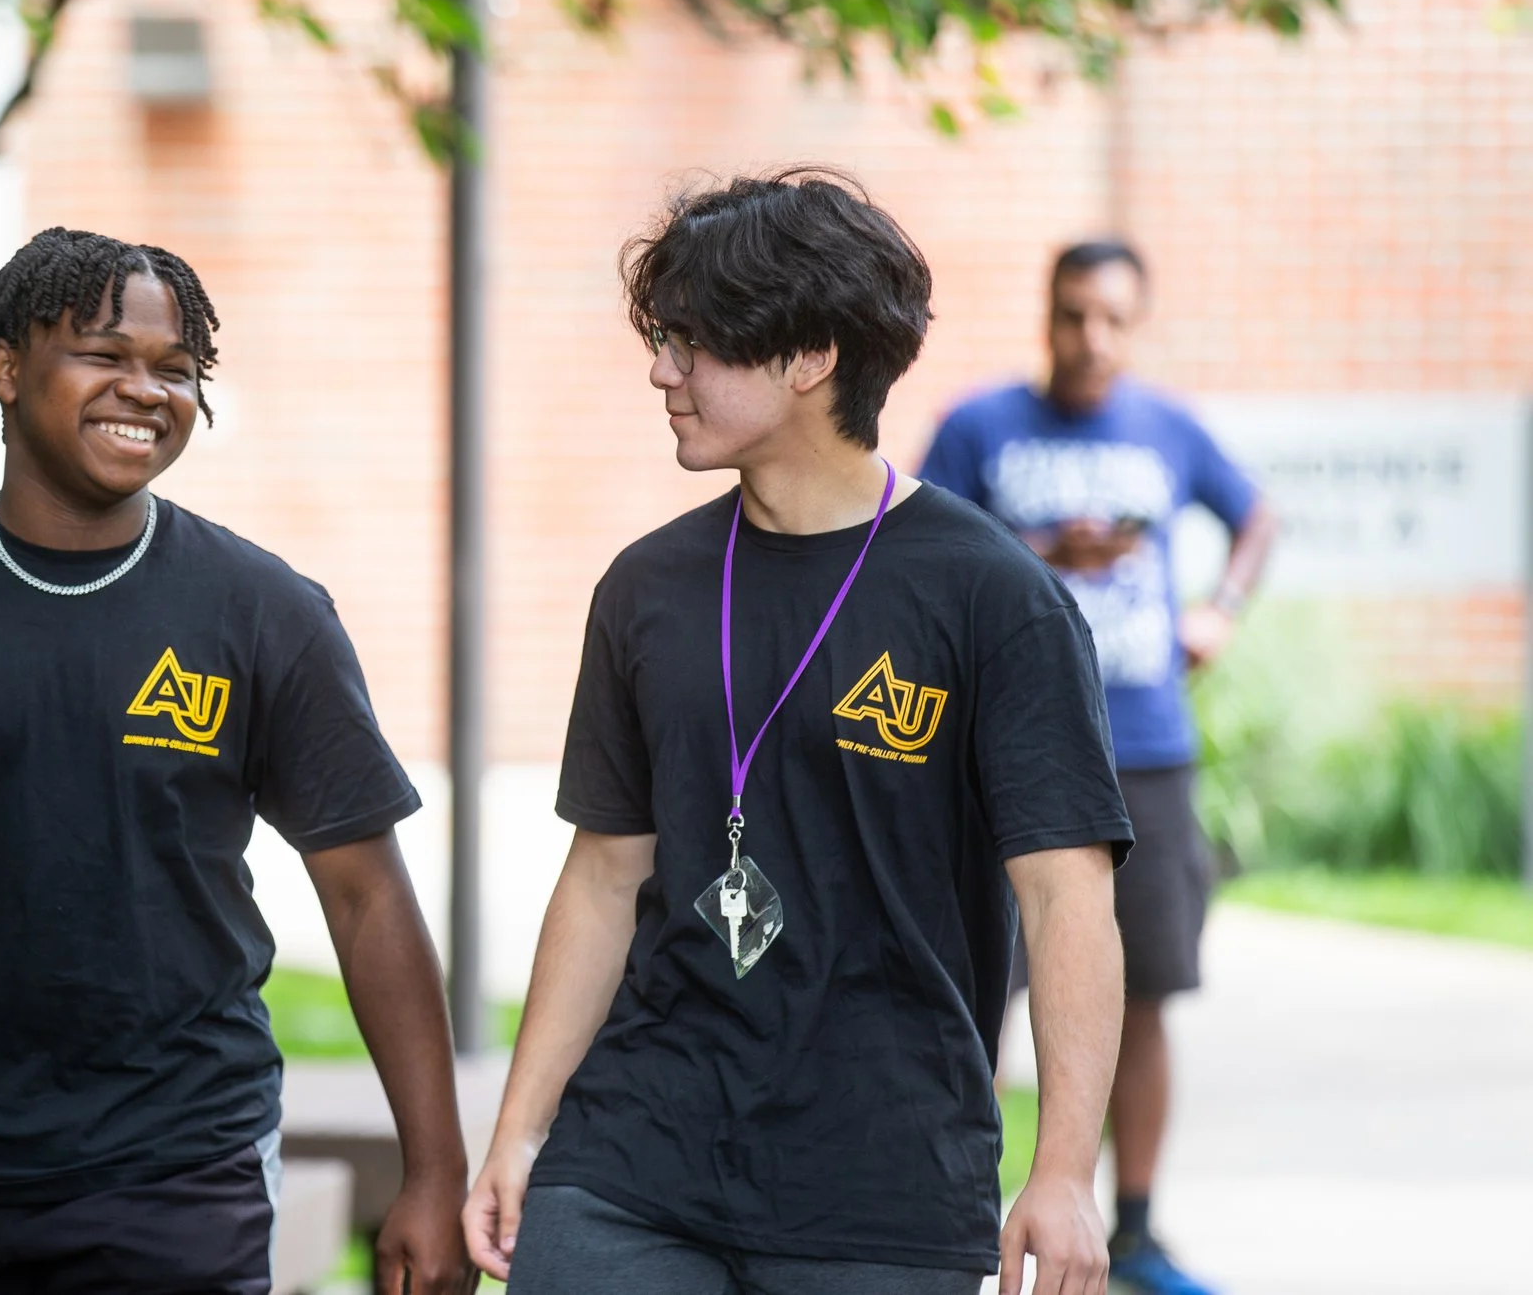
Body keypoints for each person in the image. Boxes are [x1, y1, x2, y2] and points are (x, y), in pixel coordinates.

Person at [0, 228, 474, 1295]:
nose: (145, 390)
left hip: (180, 1173)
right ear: (8, 369)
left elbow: (365, 893)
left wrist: (434, 1169)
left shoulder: (263, 612)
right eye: (105, 355)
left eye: (174, 369)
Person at [463, 169, 1132, 1295]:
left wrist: (1064, 1170)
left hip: (879, 1182)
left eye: (693, 342)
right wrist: (520, 1130)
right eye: (660, 337)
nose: (660, 368)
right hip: (631, 1163)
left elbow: (1065, 897)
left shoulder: (994, 599)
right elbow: (602, 874)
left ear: (809, 355)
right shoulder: (645, 588)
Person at [921, 239, 1275, 1295]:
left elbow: (1255, 512)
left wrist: (1220, 609)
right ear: (1046, 313)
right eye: (1074, 314)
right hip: (1005, 753)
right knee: (982, 996)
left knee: (1150, 994)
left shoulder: (1167, 428)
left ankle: (1133, 1229)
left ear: (1138, 321)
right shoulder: (979, 425)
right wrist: (1038, 552)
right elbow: (922, 555)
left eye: (1113, 318)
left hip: (1146, 751)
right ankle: (958, 1220)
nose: (1092, 338)